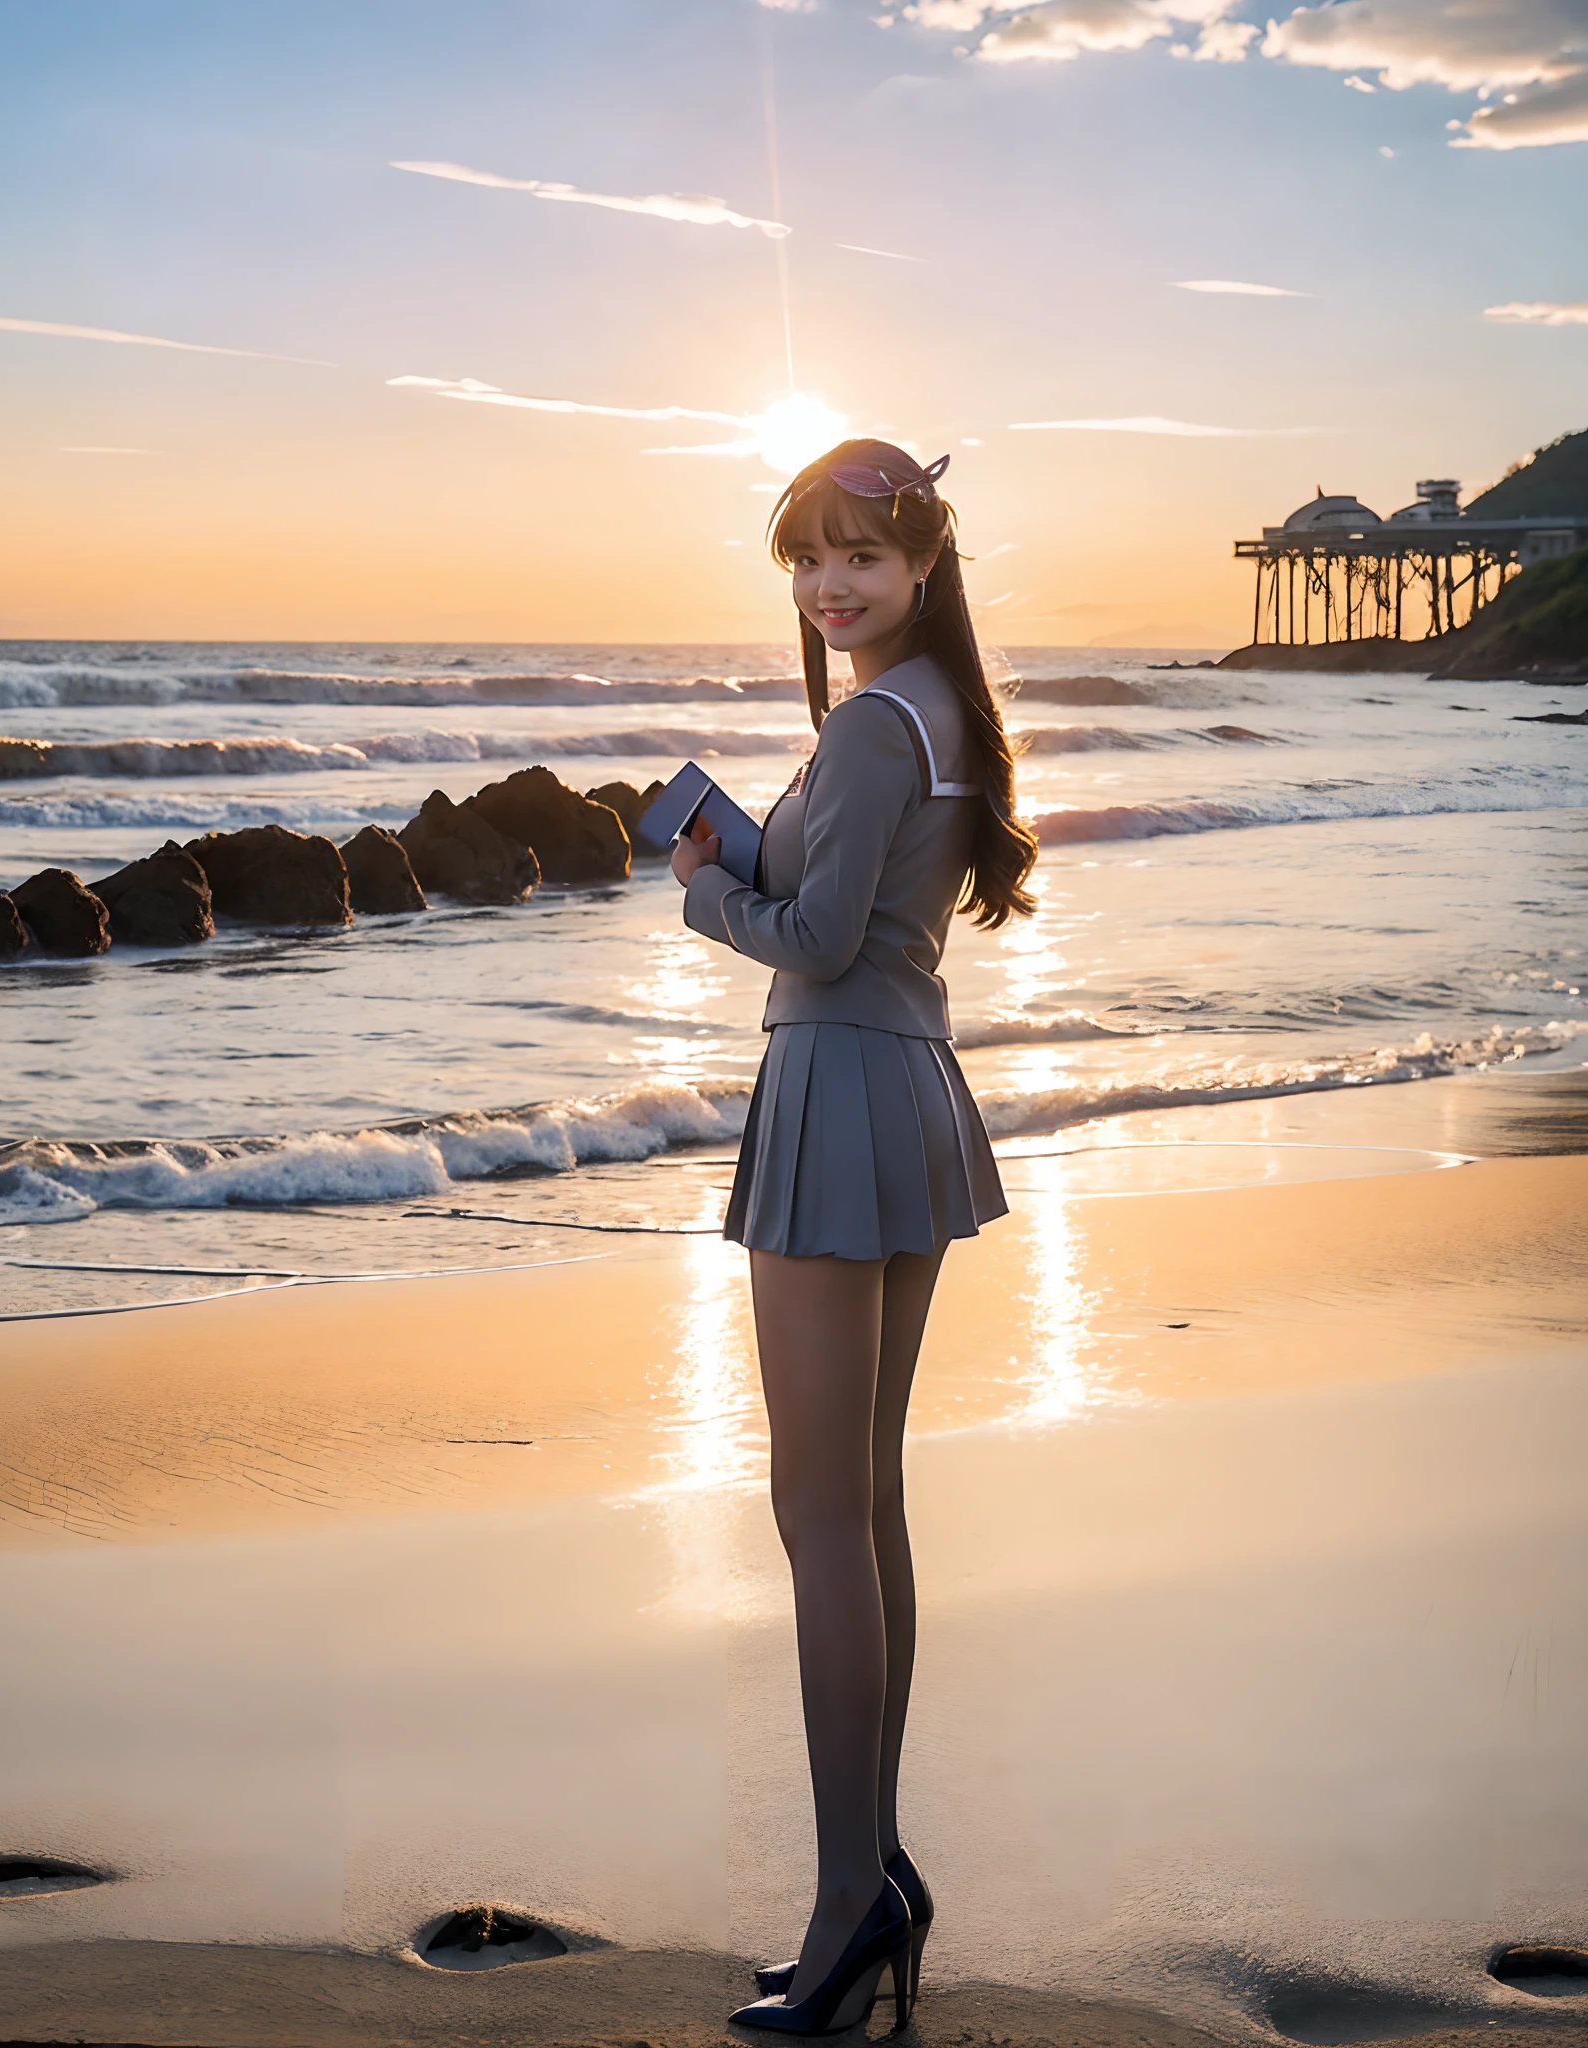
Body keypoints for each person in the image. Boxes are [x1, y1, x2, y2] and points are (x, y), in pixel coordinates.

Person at [670, 438, 1038, 2035]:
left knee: (816, 1509)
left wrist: (705, 899)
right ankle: (870, 1875)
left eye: (862, 558)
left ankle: (844, 1907)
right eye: (809, 559)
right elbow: (858, 908)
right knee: (863, 1502)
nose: (831, 586)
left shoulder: (878, 722)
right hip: (907, 1085)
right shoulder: (932, 714)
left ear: (923, 567)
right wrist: (752, 854)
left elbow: (815, 944)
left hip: (835, 1090)